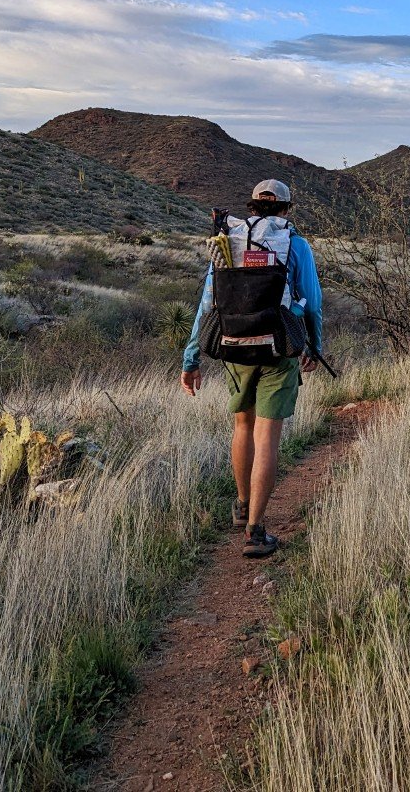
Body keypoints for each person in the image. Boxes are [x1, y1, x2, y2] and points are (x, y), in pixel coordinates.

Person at [179, 179, 323, 558]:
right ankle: (257, 534)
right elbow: (313, 305)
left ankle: (243, 508)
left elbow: (207, 305)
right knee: (268, 438)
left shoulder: (228, 242)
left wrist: (191, 358)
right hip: (278, 348)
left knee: (242, 426)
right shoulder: (295, 244)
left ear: (253, 207)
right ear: (287, 210)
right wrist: (314, 345)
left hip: (234, 346)